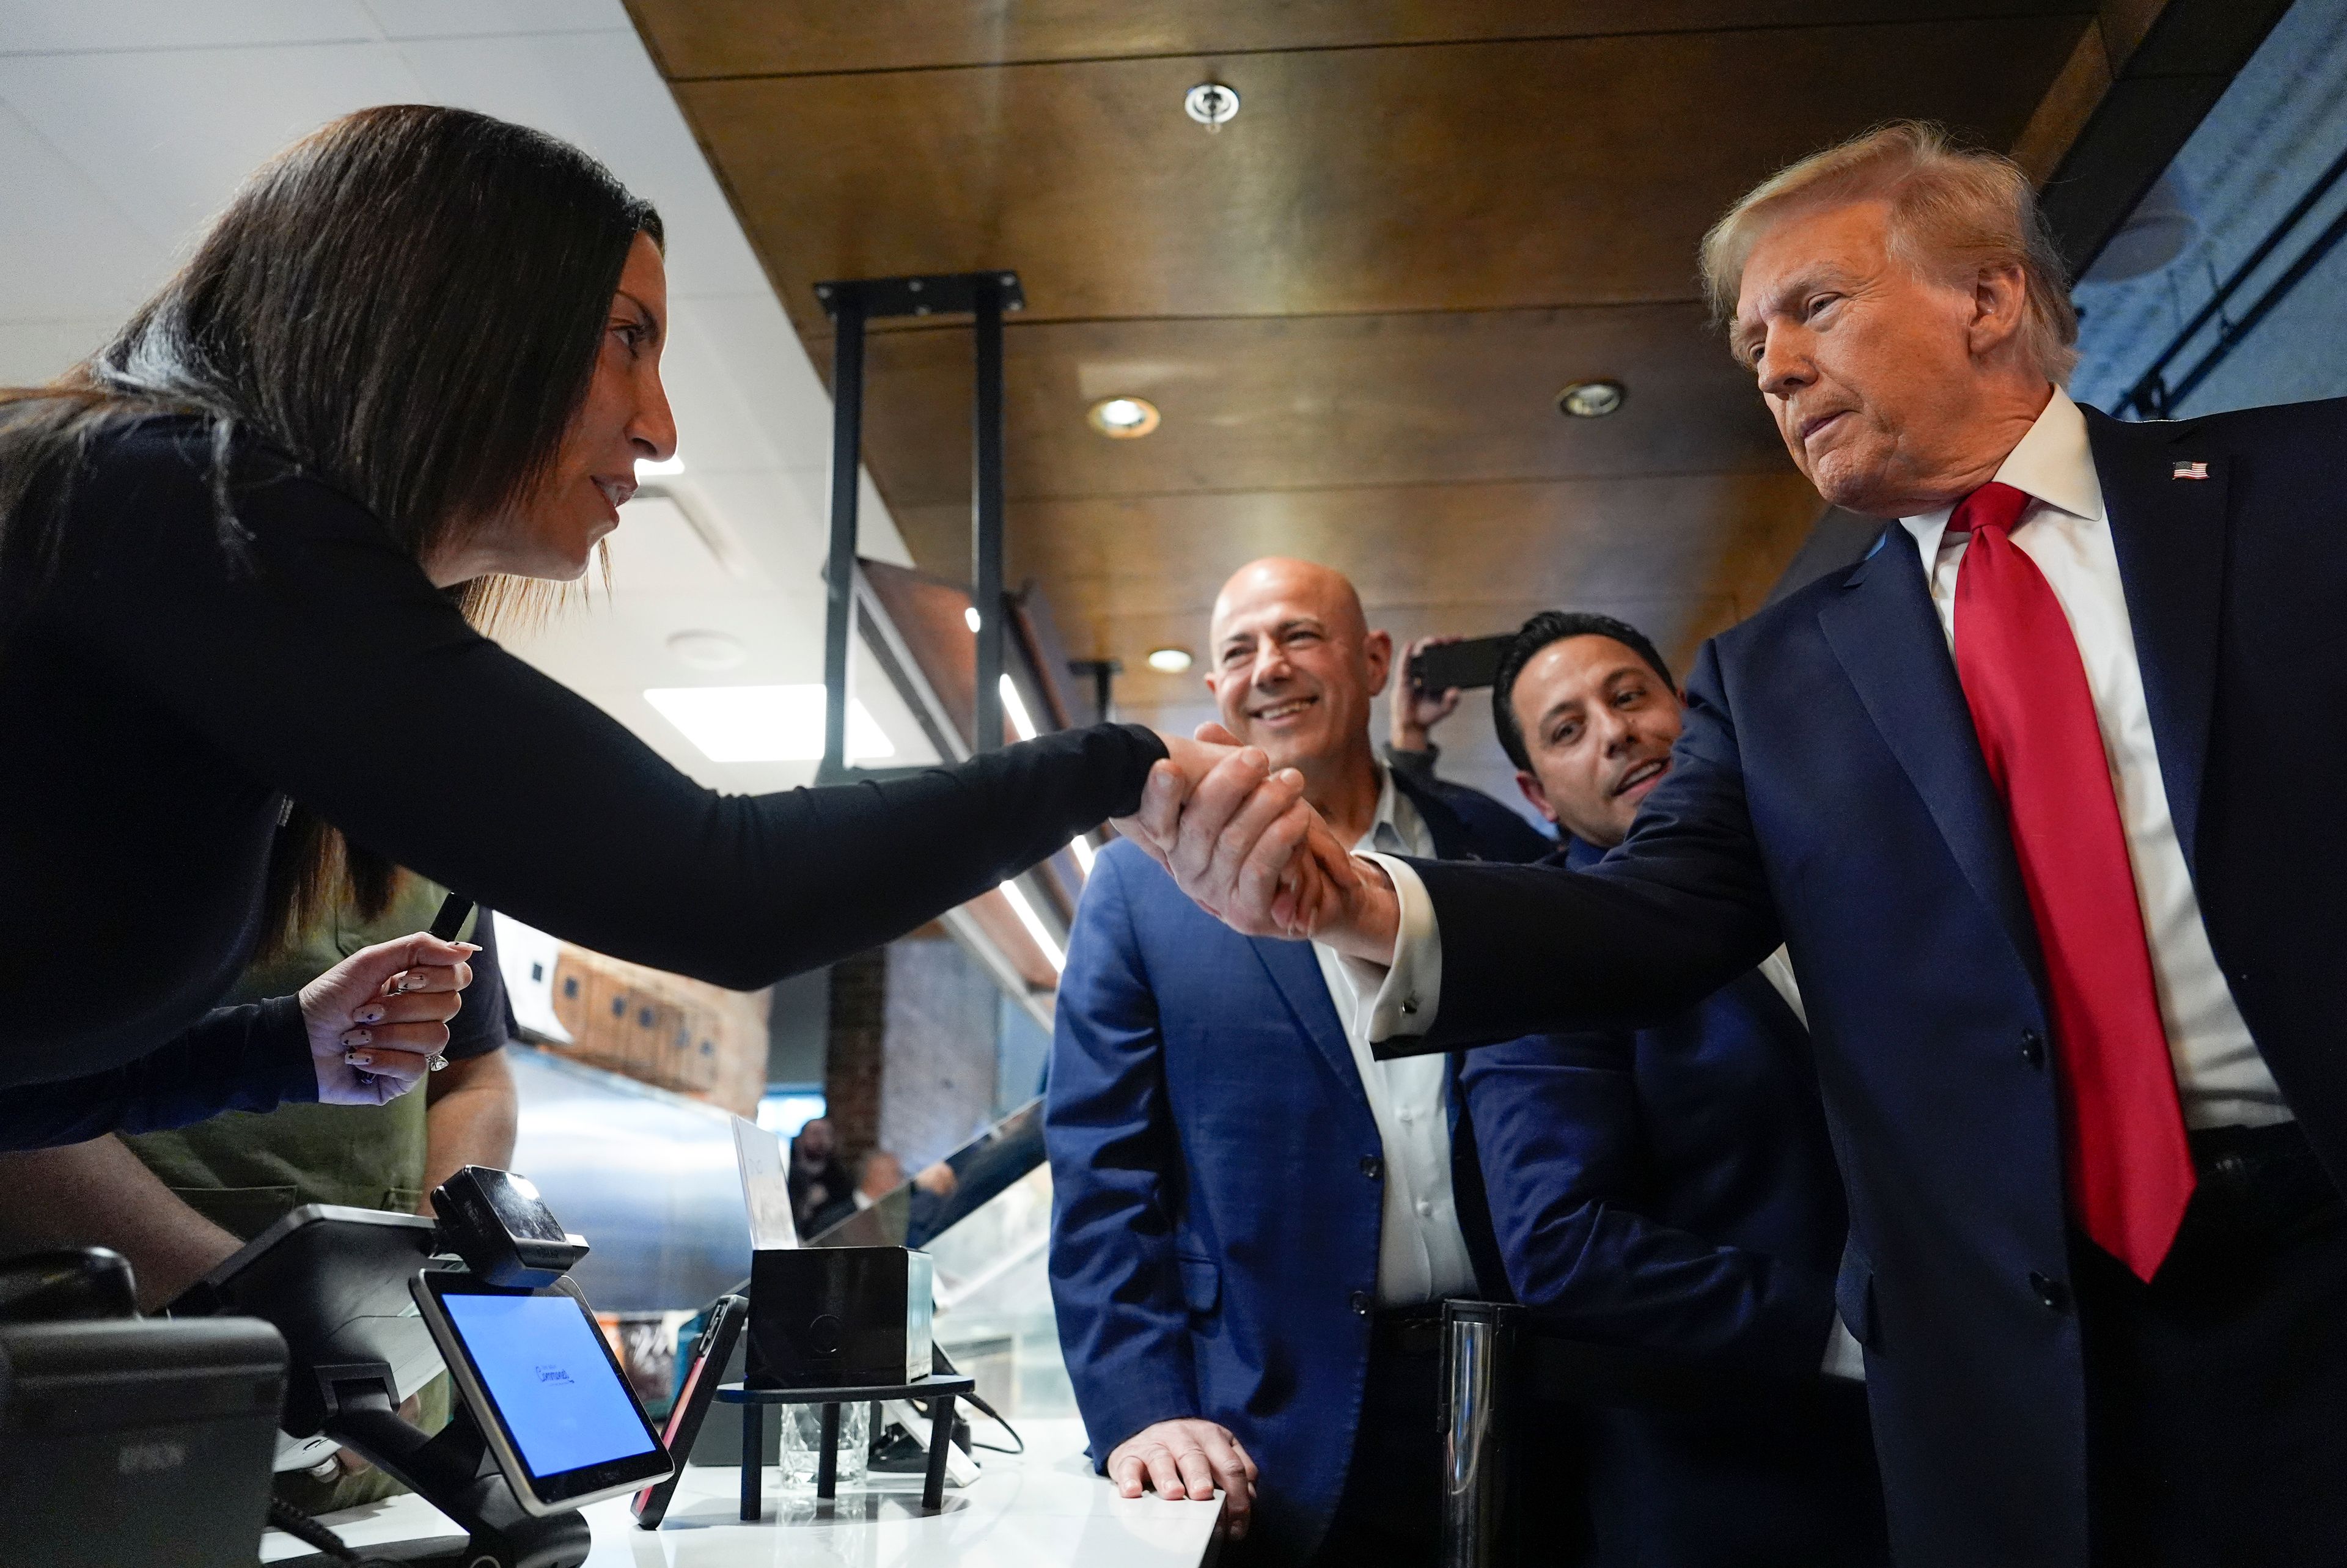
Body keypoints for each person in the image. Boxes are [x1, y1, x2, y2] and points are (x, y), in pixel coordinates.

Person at [1130, 121, 2347, 1568]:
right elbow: (1644, 921)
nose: (1769, 367)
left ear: (1986, 297)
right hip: (2014, 1360)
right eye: (1749, 343)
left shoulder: (2307, 490)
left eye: (1809, 308)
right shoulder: (1776, 679)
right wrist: (1350, 903)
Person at [0, 104, 1241, 1148]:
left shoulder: (215, 568)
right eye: (626, 340)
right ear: (456, 317)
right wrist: (1115, 766)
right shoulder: (181, 501)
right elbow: (723, 888)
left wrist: (282, 1048)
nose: (660, 426)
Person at [1048, 558, 1550, 1564]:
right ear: (1216, 693)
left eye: (1298, 637)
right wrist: (1143, 1410)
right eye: (1239, 651)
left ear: (1371, 662)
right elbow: (1104, 1172)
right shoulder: (1137, 891)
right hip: (1279, 1432)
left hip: (1529, 1394)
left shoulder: (1491, 844)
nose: (1268, 669)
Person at [1458, 609, 1886, 1567]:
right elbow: (1564, 1245)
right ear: (1537, 794)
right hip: (1732, 1489)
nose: (1615, 733)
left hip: (1963, 1442)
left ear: (1688, 712)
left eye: (1629, 696)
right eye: (1567, 730)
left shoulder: (1832, 870)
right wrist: (1840, 1331)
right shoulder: (1538, 958)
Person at [789, 1117, 854, 1236]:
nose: (821, 1140)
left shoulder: (841, 1179)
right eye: (815, 1134)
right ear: (800, 1139)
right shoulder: (787, 1175)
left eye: (827, 1134)